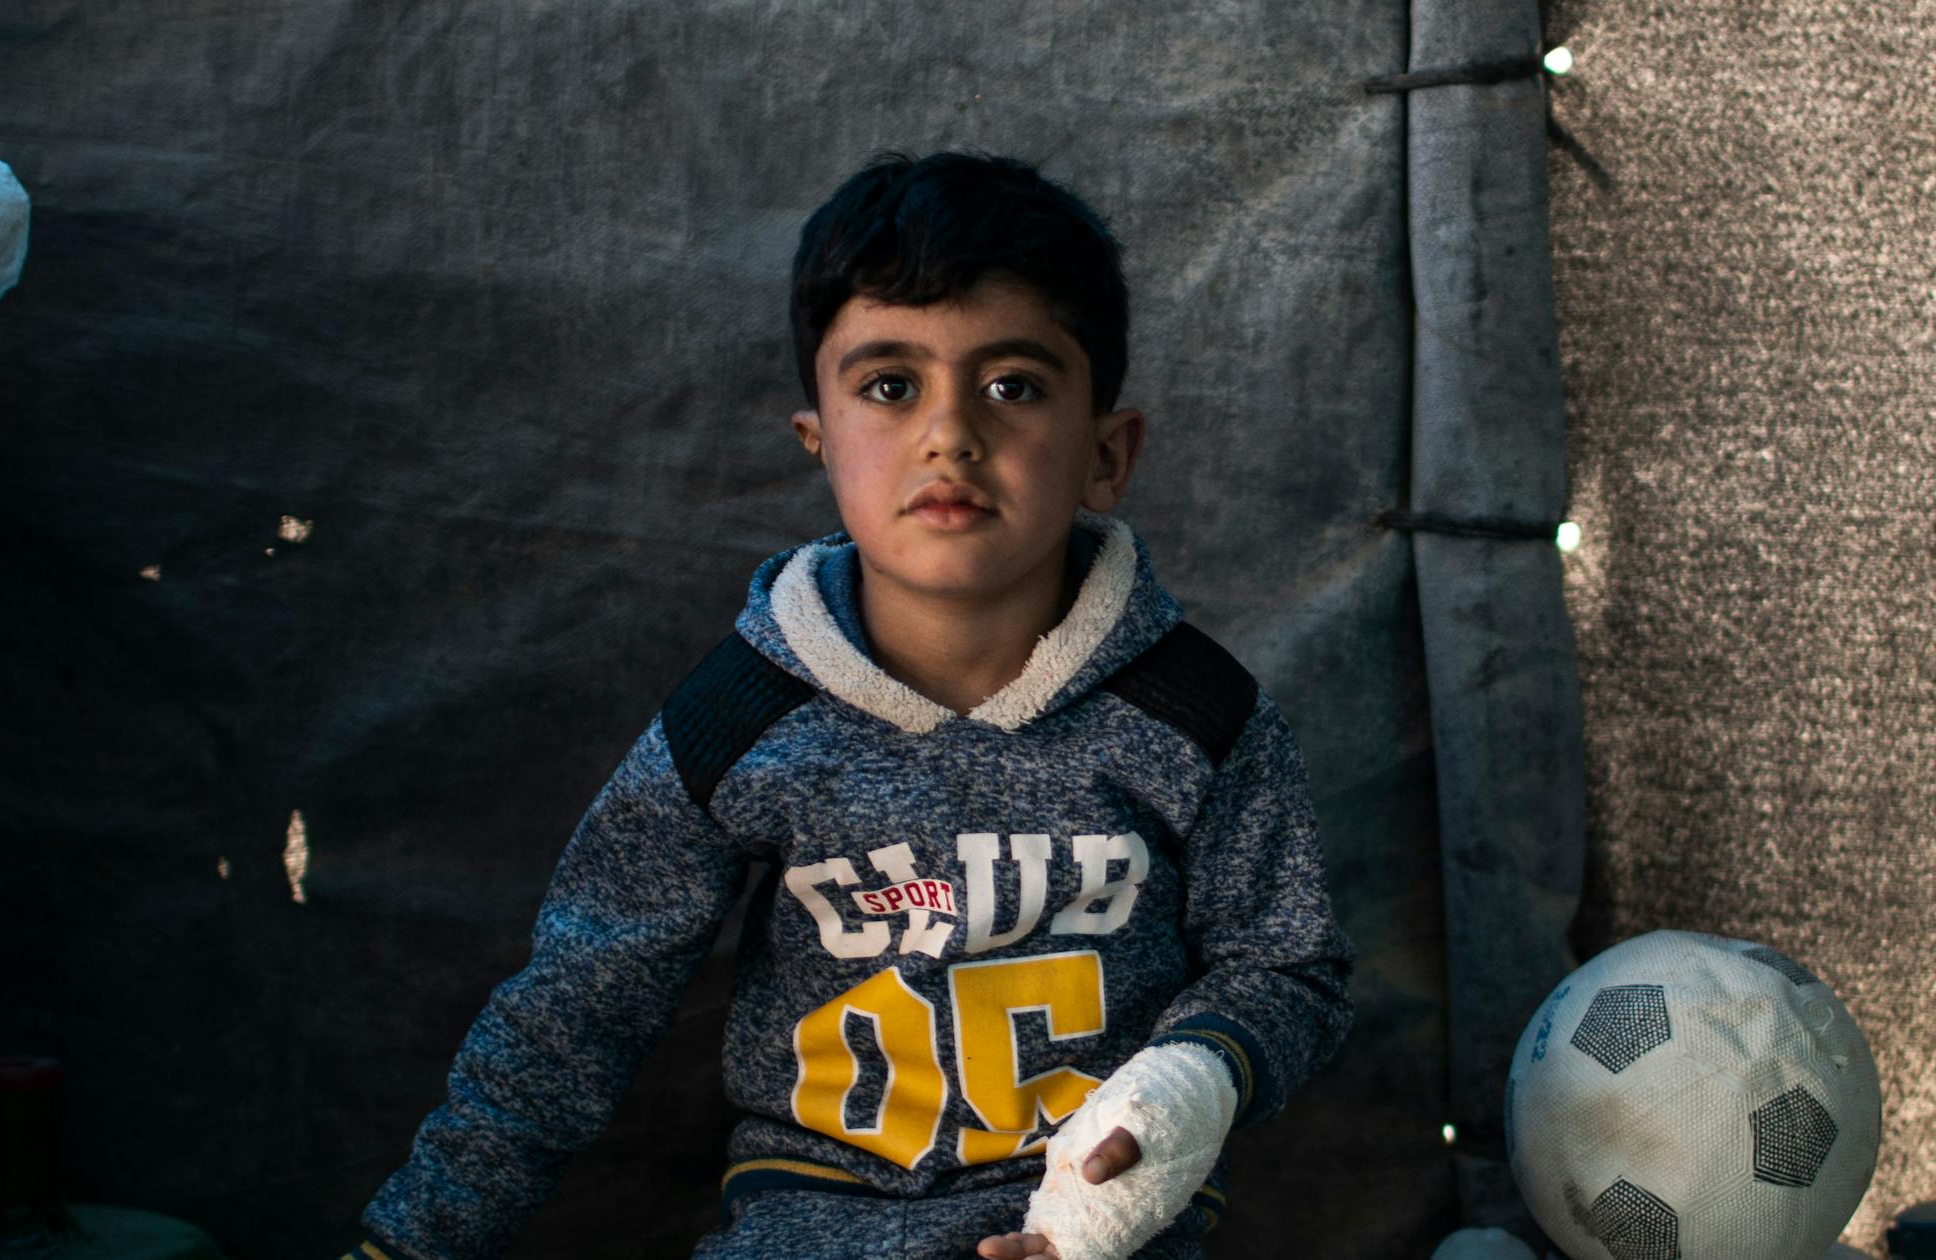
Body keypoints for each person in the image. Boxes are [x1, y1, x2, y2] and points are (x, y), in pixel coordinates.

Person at [348, 152, 1354, 1260]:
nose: (950, 434)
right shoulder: (738, 715)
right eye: (890, 386)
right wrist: (412, 1244)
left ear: (1107, 453)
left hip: (1095, 1236)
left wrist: (1182, 1090)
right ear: (817, 442)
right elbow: (578, 1008)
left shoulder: (1198, 713)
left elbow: (1288, 966)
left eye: (1013, 384)